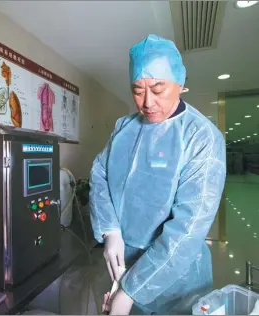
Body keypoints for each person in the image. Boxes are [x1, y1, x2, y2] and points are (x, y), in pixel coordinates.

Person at [89, 34, 226, 315]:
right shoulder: (124, 128)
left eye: (158, 88)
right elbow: (99, 172)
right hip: (123, 265)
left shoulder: (201, 138)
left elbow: (187, 230)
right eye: (138, 90)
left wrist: (131, 291)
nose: (147, 102)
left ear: (180, 84)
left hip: (178, 282)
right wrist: (111, 230)